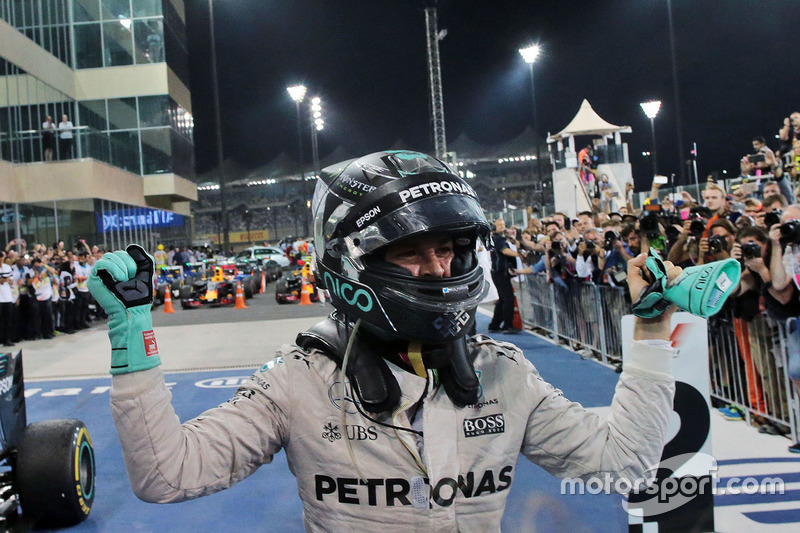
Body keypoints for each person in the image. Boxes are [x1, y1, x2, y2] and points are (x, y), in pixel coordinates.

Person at [90, 150, 677, 531]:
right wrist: (131, 337)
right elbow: (167, 476)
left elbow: (622, 466)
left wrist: (651, 331)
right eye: (409, 251)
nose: (439, 268)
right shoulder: (298, 380)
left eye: (447, 248)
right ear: (352, 264)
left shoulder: (503, 371)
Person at [487, 218, 521, 333]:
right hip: (501, 272)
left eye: (503, 225)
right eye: (500, 225)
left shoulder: (498, 239)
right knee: (508, 299)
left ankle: (495, 324)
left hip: (498, 272)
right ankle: (507, 325)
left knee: (502, 299)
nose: (503, 227)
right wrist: (519, 254)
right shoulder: (498, 239)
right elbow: (505, 251)